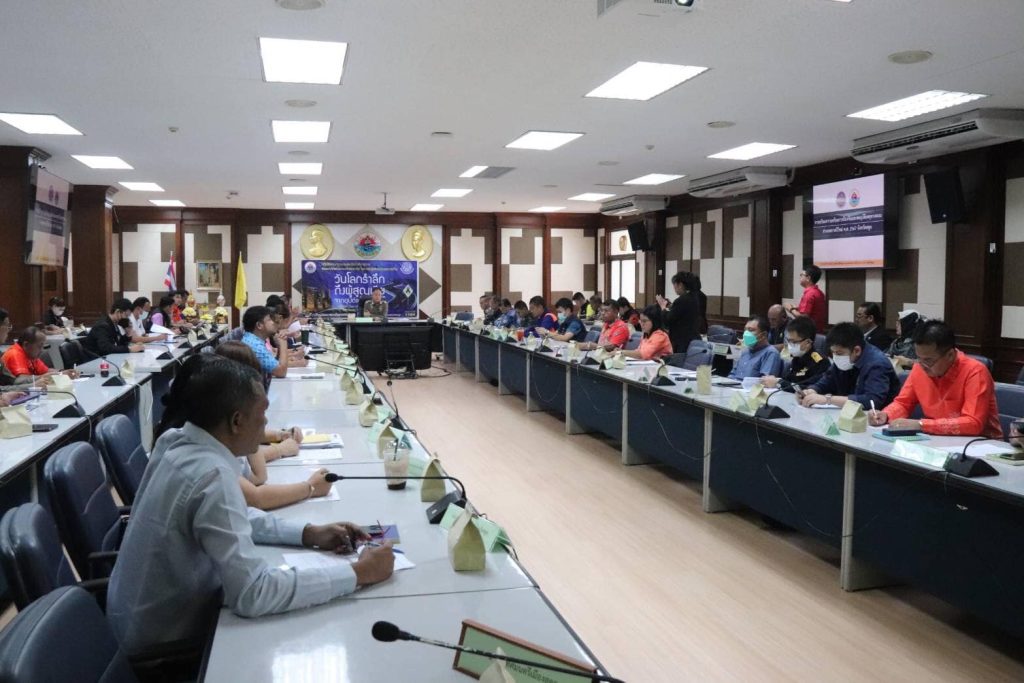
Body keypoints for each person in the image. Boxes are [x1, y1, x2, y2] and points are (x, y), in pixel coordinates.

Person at [107, 355, 395, 662]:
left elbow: (237, 517)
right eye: (262, 413)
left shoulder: (175, 440)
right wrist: (358, 573)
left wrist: (309, 533)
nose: (267, 424)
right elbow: (254, 593)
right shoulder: (211, 476)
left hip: (134, 618)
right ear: (236, 421)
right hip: (166, 646)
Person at [869, 320, 1002, 438]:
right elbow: (903, 403)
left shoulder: (975, 372)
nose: (922, 365)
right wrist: (886, 415)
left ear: (950, 355)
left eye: (928, 360)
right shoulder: (919, 368)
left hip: (980, 445)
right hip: (938, 440)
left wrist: (921, 425)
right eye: (918, 358)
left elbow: (973, 423)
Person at [799, 322, 900, 409]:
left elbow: (872, 400)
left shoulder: (877, 363)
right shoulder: (844, 358)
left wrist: (828, 399)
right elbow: (828, 380)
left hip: (876, 418)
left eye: (838, 353)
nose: (835, 357)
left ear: (856, 350)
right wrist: (812, 390)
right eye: (833, 352)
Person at [761, 316, 830, 390]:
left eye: (793, 342)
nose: (790, 345)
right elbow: (790, 380)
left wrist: (778, 383)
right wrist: (775, 380)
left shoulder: (820, 362)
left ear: (808, 342)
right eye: (788, 341)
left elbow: (809, 388)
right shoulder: (797, 358)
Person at [1, 326, 78, 384]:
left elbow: (46, 371)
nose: (42, 350)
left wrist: (62, 372)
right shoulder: (15, 354)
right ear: (26, 344)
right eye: (39, 346)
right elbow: (21, 380)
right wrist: (54, 375)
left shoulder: (30, 354)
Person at [241, 305, 290, 383]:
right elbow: (281, 372)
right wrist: (283, 342)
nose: (274, 322)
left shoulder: (254, 340)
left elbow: (275, 365)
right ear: (259, 325)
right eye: (270, 319)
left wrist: (280, 347)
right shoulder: (254, 345)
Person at [656, 272, 700, 355]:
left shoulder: (681, 300)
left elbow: (668, 320)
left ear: (680, 285)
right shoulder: (694, 297)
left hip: (681, 340)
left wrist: (663, 307)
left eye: (674, 285)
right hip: (692, 337)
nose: (674, 288)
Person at [785, 264, 827, 332]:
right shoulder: (818, 292)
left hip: (808, 332)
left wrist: (790, 309)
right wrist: (798, 308)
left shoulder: (809, 294)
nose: (800, 277)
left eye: (801, 275)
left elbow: (803, 318)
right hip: (817, 330)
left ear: (808, 278)